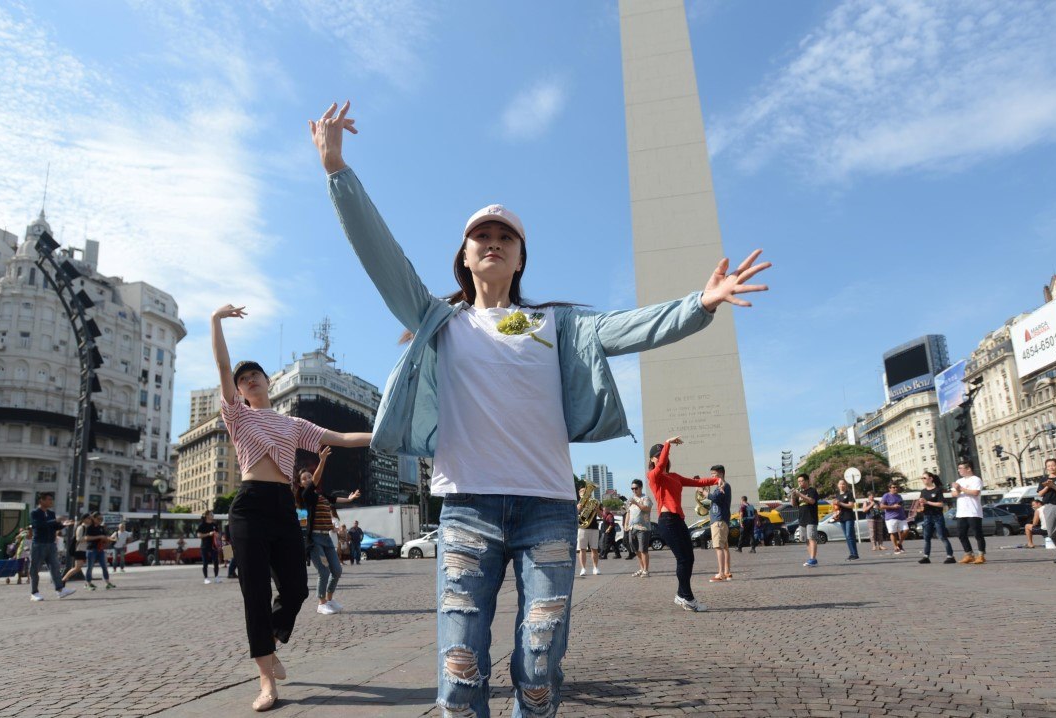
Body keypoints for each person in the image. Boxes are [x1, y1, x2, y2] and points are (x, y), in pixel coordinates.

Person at [314, 99, 769, 717]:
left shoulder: (556, 324)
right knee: (460, 666)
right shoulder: (438, 322)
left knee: (538, 661)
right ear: (465, 257)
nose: (494, 243)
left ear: (521, 257)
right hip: (468, 507)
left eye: (507, 237)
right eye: (482, 236)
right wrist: (337, 168)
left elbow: (633, 327)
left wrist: (702, 303)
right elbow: (381, 256)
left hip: (548, 511)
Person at [212, 302, 371, 712]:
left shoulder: (294, 425)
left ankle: (271, 639)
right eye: (242, 379)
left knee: (298, 589)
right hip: (248, 506)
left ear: (268, 381)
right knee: (254, 594)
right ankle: (267, 679)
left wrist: (384, 435)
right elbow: (222, 363)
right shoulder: (238, 417)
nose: (249, 381)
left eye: (254, 376)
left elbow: (342, 438)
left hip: (282, 507)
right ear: (239, 389)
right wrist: (216, 321)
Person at [649, 438, 722, 610]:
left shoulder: (674, 477)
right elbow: (659, 467)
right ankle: (687, 598)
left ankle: (681, 595)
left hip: (678, 520)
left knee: (689, 559)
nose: (661, 458)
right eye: (657, 456)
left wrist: (717, 481)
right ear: (652, 459)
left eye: (662, 455)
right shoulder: (653, 476)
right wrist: (667, 444)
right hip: (667, 521)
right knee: (682, 559)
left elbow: (697, 482)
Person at [298, 446, 361, 615]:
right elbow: (316, 479)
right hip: (314, 540)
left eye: (309, 476)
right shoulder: (307, 495)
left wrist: (350, 498)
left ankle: (330, 600)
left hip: (326, 538)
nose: (308, 479)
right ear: (301, 483)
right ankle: (321, 603)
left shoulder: (322, 496)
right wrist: (322, 460)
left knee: (337, 570)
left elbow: (335, 499)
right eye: (304, 478)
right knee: (324, 571)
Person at [29, 493, 76, 601]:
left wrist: (63, 524)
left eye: (52, 500)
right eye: (49, 500)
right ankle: (34, 593)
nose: (51, 502)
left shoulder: (51, 513)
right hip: (39, 544)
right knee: (35, 569)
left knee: (55, 567)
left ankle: (60, 590)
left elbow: (53, 527)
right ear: (41, 501)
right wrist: (56, 520)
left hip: (51, 544)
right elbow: (38, 525)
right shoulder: (35, 513)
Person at [915, 471, 955, 564]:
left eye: (924, 478)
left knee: (941, 536)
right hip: (927, 516)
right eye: (922, 478)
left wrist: (927, 502)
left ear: (931, 479)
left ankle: (950, 556)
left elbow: (941, 504)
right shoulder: (923, 491)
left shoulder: (937, 490)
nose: (923, 480)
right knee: (926, 537)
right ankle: (926, 556)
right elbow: (922, 504)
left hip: (937, 516)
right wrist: (920, 507)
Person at [951, 461, 986, 564]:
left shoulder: (976, 479)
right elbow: (954, 494)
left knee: (977, 534)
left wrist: (960, 488)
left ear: (968, 469)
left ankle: (981, 555)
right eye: (958, 468)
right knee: (961, 534)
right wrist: (957, 490)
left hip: (973, 511)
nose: (959, 470)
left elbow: (975, 492)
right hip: (961, 512)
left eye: (961, 468)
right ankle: (968, 554)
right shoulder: (959, 480)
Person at [707, 465, 733, 582]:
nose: (713, 477)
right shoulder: (721, 486)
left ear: (721, 474)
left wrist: (703, 492)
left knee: (718, 547)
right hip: (722, 519)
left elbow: (714, 497)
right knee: (725, 547)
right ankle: (727, 572)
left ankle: (721, 573)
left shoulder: (723, 486)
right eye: (711, 475)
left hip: (718, 520)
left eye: (715, 475)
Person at [790, 474, 820, 567]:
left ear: (807, 481)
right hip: (802, 519)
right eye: (798, 481)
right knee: (806, 540)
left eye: (802, 481)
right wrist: (793, 496)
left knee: (812, 538)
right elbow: (794, 505)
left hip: (811, 518)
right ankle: (811, 558)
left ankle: (813, 559)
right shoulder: (799, 492)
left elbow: (812, 501)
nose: (800, 483)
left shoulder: (812, 490)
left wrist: (800, 495)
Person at [625, 479, 653, 577]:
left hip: (643, 528)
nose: (634, 490)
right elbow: (628, 512)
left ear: (640, 488)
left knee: (643, 550)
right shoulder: (630, 499)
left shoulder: (645, 498)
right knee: (636, 550)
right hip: (632, 528)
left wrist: (636, 503)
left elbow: (647, 508)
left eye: (635, 488)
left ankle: (646, 570)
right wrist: (626, 524)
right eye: (632, 488)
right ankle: (641, 569)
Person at [84, 511, 115, 590]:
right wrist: (99, 537)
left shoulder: (101, 528)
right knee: (90, 567)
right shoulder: (89, 527)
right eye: (98, 519)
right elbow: (86, 538)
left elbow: (105, 537)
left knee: (104, 566)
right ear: (93, 518)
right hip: (91, 549)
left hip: (100, 549)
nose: (100, 520)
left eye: (101, 519)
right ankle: (88, 583)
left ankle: (108, 582)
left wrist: (110, 539)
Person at [832, 479, 860, 561]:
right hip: (841, 517)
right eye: (840, 484)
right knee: (847, 537)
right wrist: (835, 513)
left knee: (849, 535)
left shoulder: (849, 493)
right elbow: (837, 507)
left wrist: (840, 503)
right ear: (838, 485)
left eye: (843, 484)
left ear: (846, 485)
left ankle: (854, 554)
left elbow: (851, 505)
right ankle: (852, 553)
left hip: (849, 517)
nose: (842, 485)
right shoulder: (837, 495)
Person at [576, 497, 602, 578]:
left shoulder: (595, 502)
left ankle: (595, 568)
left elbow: (601, 516)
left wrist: (597, 509)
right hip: (582, 528)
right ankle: (583, 568)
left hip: (594, 528)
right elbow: (574, 514)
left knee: (594, 549)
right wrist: (579, 509)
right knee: (582, 549)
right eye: (582, 492)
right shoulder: (579, 502)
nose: (585, 494)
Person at [61, 516, 90, 585]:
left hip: (84, 549)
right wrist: (88, 538)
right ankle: (63, 580)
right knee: (77, 568)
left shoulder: (87, 527)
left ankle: (88, 582)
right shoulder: (81, 527)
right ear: (84, 519)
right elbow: (78, 539)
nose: (90, 520)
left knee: (82, 567)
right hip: (80, 549)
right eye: (88, 518)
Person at [881, 483, 907, 554]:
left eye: (896, 487)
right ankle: (895, 547)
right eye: (893, 487)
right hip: (891, 517)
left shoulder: (899, 496)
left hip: (901, 516)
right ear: (889, 488)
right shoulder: (886, 495)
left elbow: (901, 505)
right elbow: (882, 506)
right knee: (893, 533)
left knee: (906, 530)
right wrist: (893, 507)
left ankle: (900, 544)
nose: (895, 488)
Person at [199, 511, 223, 584]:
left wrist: (216, 534)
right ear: (207, 516)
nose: (213, 515)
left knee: (216, 562)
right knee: (205, 563)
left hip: (214, 546)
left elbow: (219, 536)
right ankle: (206, 578)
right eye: (211, 514)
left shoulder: (214, 525)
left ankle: (216, 577)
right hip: (204, 546)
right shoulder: (202, 525)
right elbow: (199, 535)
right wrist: (209, 534)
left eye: (213, 514)